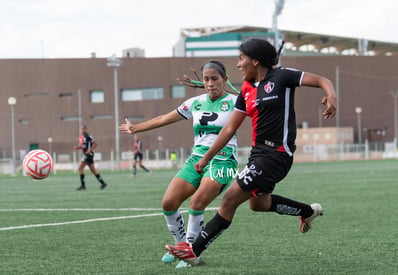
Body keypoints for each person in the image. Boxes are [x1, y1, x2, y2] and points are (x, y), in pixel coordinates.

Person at [166, 39, 337, 266]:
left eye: (241, 58)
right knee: (258, 204)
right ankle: (307, 211)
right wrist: (207, 157)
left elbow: (322, 80)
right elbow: (229, 129)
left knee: (229, 200)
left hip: (277, 155)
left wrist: (331, 96)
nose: (238, 64)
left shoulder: (283, 77)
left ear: (255, 61)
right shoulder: (246, 90)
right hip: (258, 155)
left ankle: (194, 251)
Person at [119, 60, 238, 268]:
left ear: (225, 80)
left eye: (215, 79)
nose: (210, 83)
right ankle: (180, 245)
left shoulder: (237, 102)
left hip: (224, 160)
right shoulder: (195, 102)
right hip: (196, 158)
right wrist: (136, 128)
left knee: (197, 203)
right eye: (206, 79)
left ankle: (191, 252)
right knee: (168, 203)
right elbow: (165, 118)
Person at [74, 125, 107, 190]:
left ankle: (83, 186)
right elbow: (82, 146)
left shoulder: (88, 136)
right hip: (86, 154)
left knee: (80, 168)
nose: (82, 130)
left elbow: (95, 143)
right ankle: (103, 183)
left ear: (86, 129)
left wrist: (90, 150)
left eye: (83, 129)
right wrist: (78, 147)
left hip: (88, 155)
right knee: (93, 170)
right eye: (81, 129)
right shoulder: (80, 137)